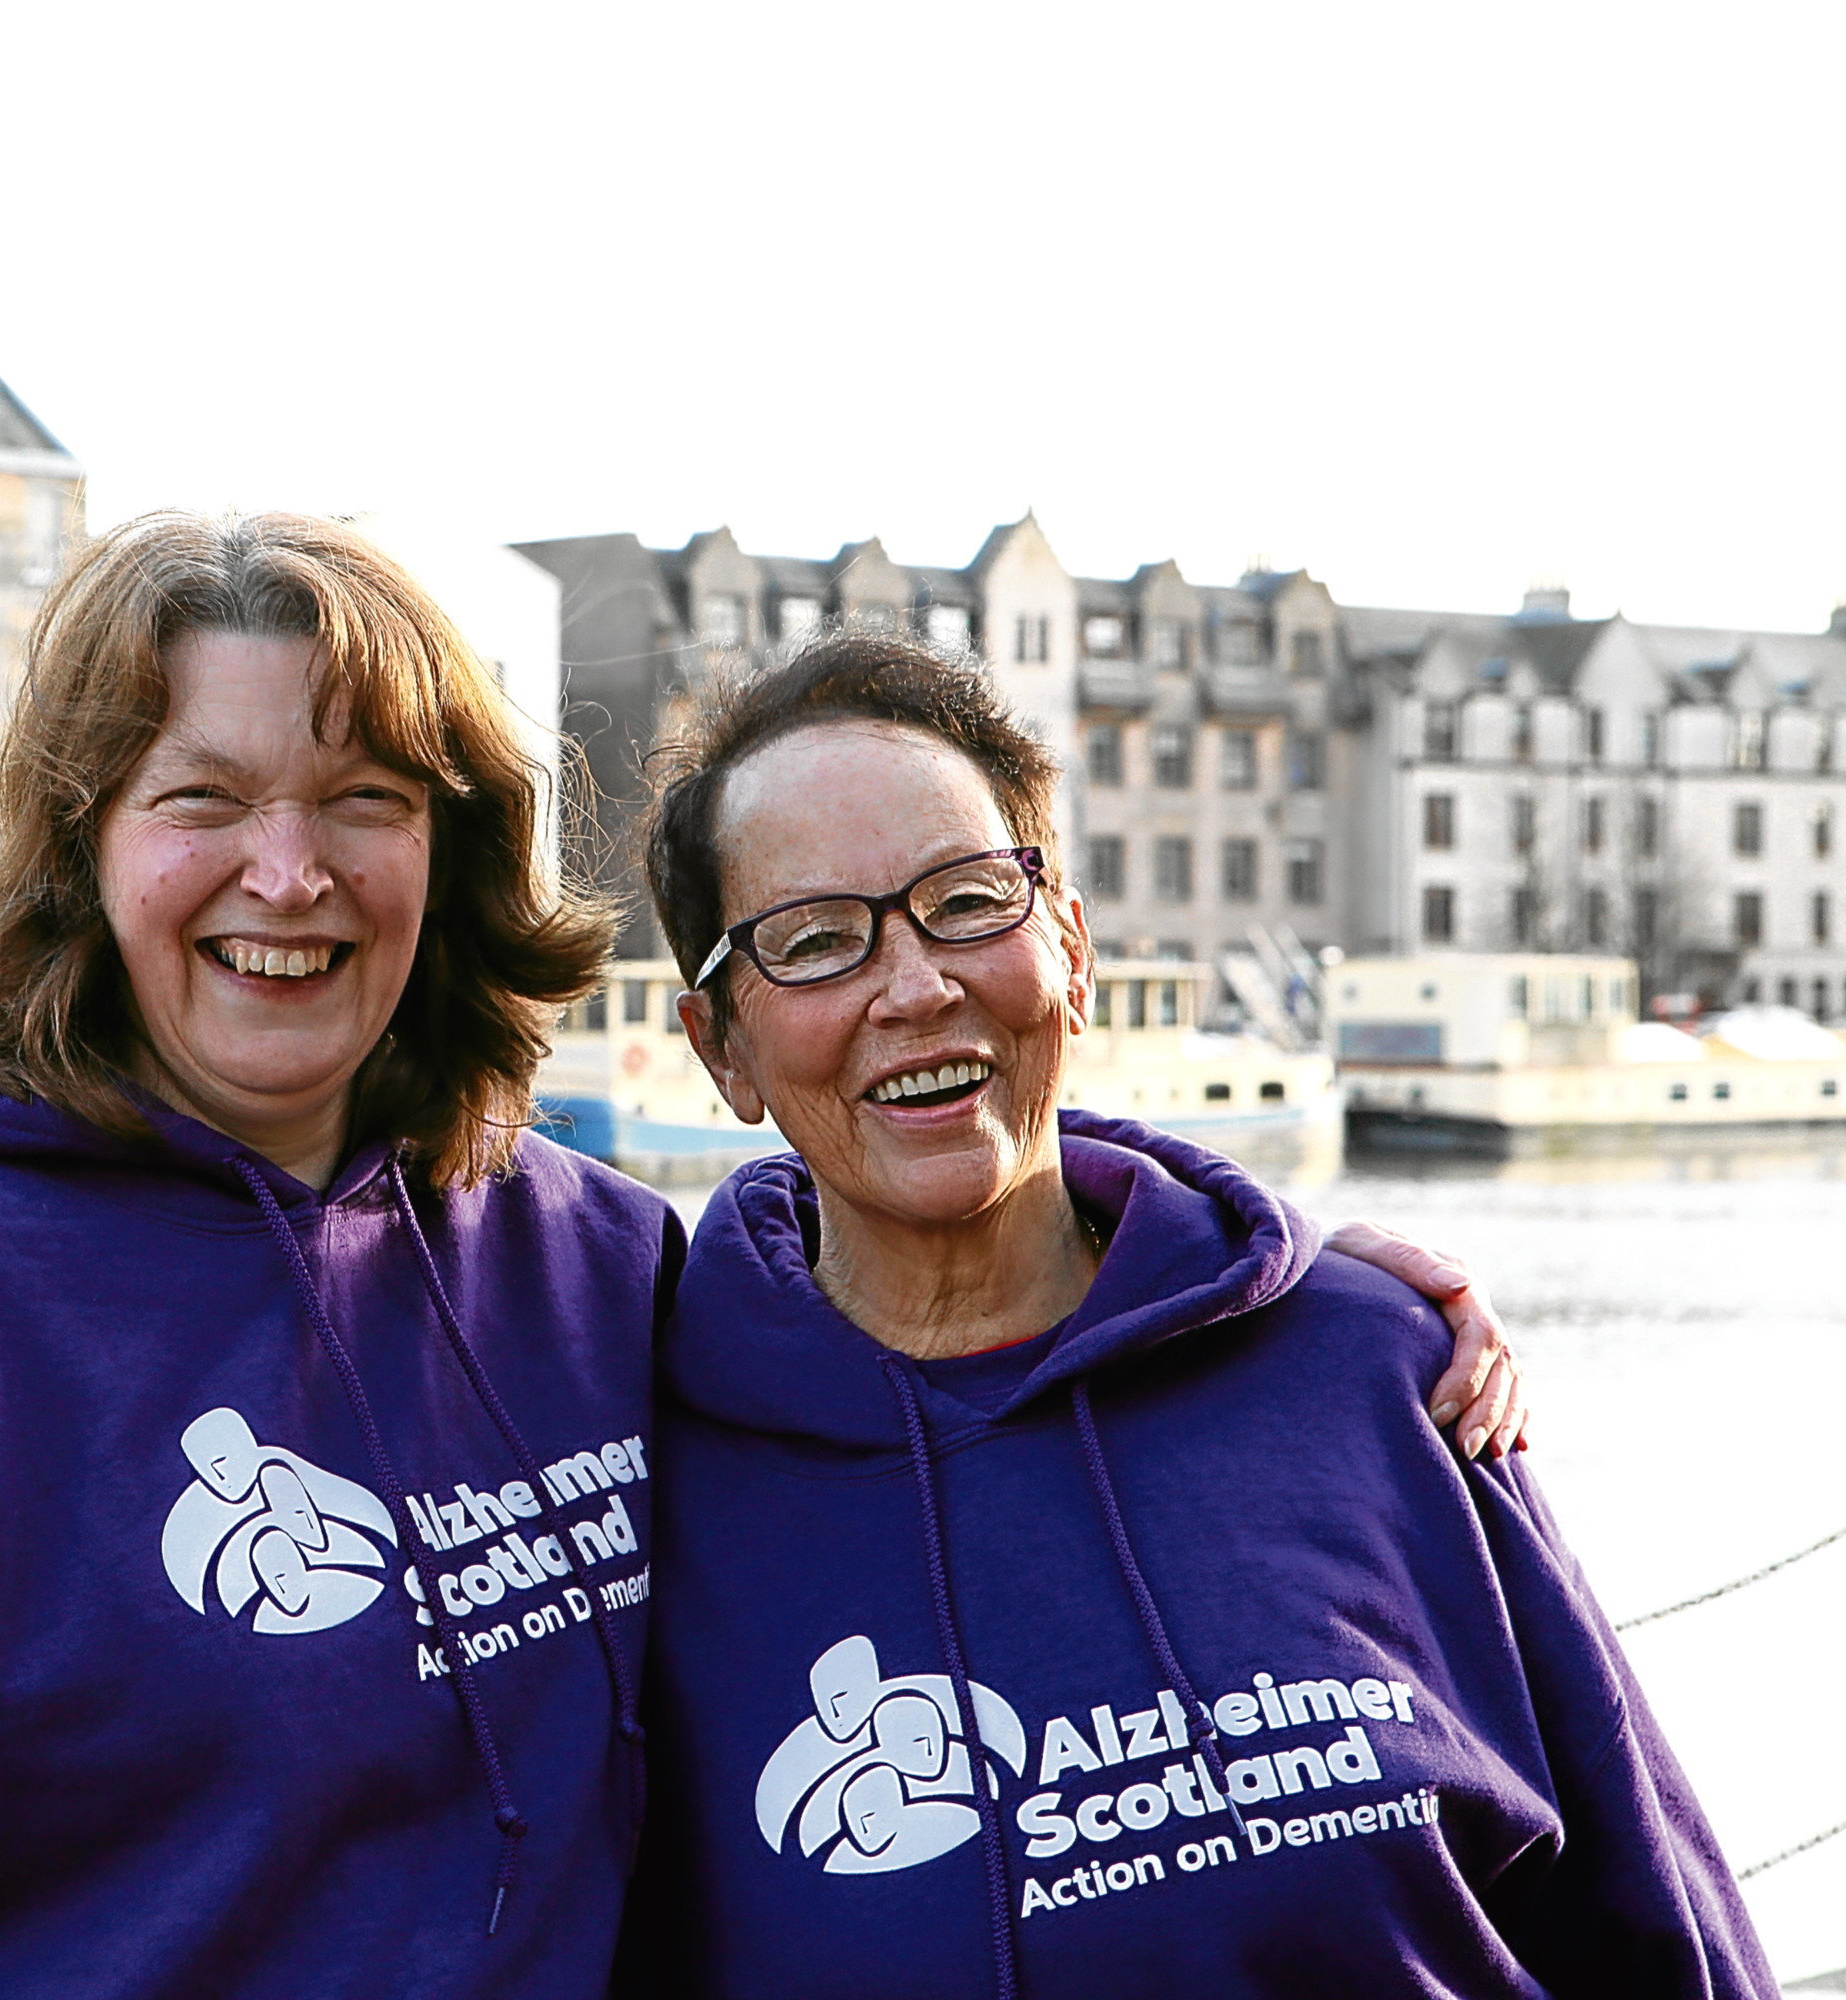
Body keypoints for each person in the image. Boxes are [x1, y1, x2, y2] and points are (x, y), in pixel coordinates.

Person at [0, 511, 1527, 1998]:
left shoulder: (588, 1266)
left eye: (364, 801)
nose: (288, 874)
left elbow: (931, 1288)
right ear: (85, 851)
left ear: (456, 848)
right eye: (200, 799)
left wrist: (1273, 1296)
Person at [628, 630, 1768, 1995]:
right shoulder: (652, 1475)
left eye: (971, 901)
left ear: (1072, 949)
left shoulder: (1380, 1367)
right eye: (815, 941)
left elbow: (1658, 1925)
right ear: (724, 1050)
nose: (917, 984)